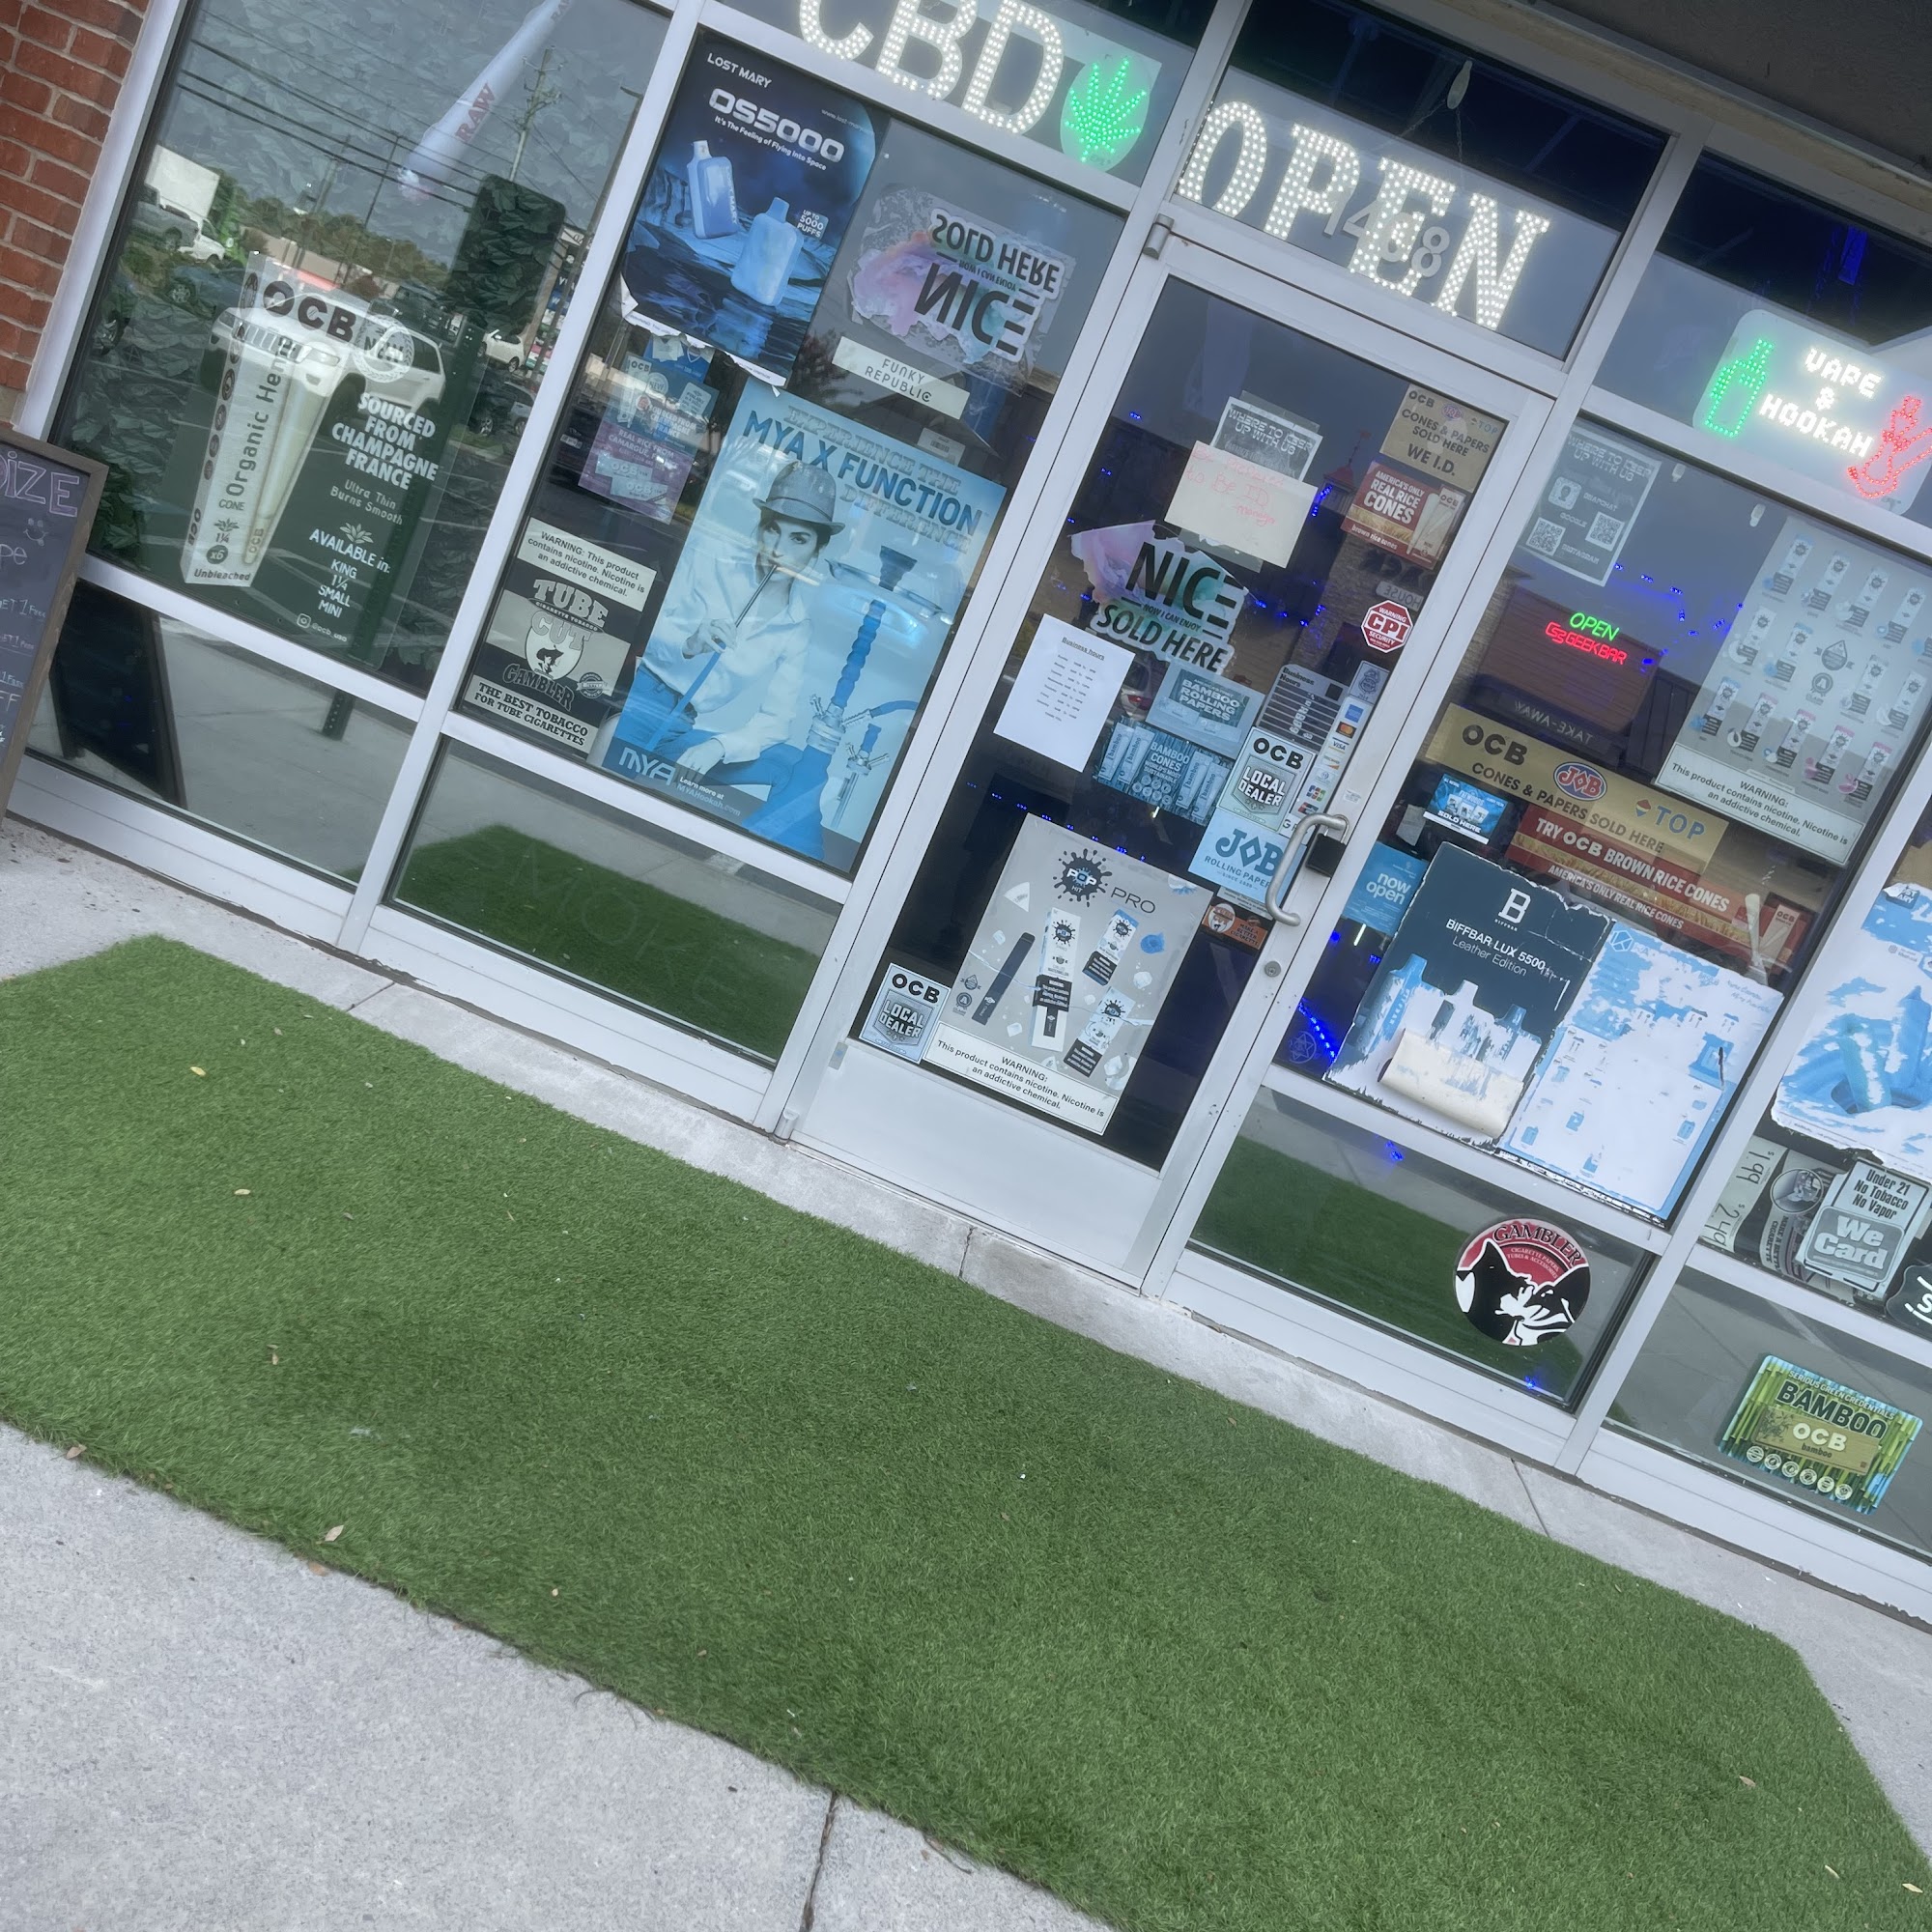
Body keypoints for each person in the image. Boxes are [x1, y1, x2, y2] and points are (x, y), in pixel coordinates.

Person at [622, 459, 839, 776]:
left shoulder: (797, 628)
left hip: (683, 725)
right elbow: (641, 625)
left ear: (817, 549)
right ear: (760, 528)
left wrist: (721, 746)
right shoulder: (712, 558)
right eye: (773, 530)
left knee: (783, 767)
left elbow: (778, 720)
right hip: (639, 692)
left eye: (799, 539)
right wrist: (689, 643)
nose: (778, 550)